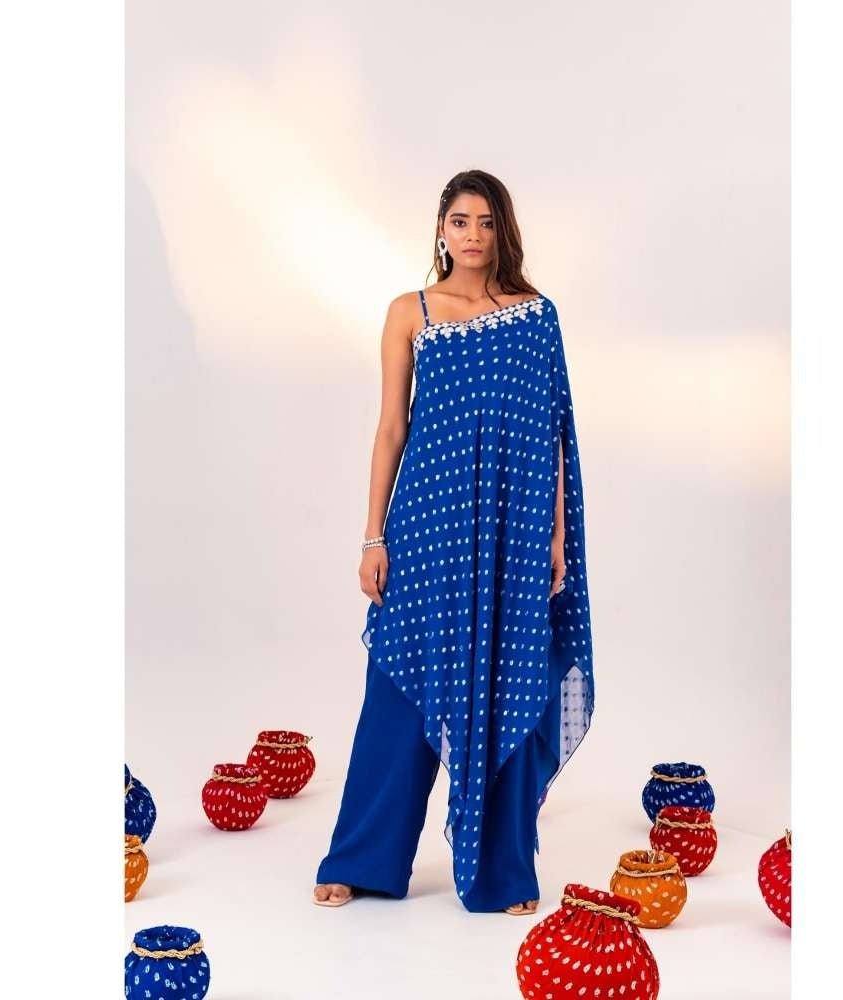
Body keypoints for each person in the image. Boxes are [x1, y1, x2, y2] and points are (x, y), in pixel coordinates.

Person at [313, 169, 594, 914]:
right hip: (426, 529)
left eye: (487, 222)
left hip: (511, 533)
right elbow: (391, 430)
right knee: (398, 691)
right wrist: (372, 537)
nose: (473, 235)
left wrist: (557, 538)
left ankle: (503, 873)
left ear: (504, 232)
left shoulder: (535, 315)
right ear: (441, 229)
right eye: (461, 221)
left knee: (510, 682)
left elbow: (553, 435)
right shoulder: (410, 313)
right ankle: (362, 860)